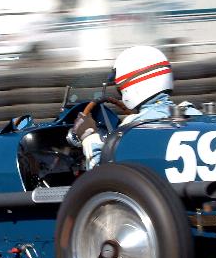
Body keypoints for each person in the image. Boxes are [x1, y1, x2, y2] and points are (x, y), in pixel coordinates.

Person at [68, 45, 201, 169]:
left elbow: (103, 177)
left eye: (120, 88)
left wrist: (89, 137)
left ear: (131, 85)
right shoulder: (193, 113)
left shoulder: (134, 128)